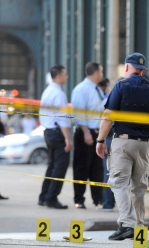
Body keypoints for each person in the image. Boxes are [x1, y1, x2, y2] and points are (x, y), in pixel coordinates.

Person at [96, 52, 149, 240]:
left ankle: (126, 223)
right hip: (144, 144)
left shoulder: (121, 86)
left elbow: (108, 117)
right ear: (143, 71)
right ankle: (139, 226)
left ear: (127, 67)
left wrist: (100, 140)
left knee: (118, 181)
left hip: (123, 142)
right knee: (139, 186)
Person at [71, 62, 105, 209]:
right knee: (81, 167)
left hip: (97, 133)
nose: (102, 74)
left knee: (97, 169)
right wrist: (86, 133)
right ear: (96, 72)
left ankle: (98, 199)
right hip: (85, 133)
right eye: (101, 71)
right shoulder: (81, 89)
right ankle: (79, 199)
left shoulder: (97, 89)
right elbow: (78, 113)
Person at [38, 65, 72, 209]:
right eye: (65, 74)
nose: (67, 76)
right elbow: (62, 118)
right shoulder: (59, 94)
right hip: (57, 132)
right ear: (59, 76)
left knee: (52, 165)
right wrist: (67, 139)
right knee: (60, 166)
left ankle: (44, 196)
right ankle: (51, 198)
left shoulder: (48, 91)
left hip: (48, 131)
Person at [98, 77, 116, 211]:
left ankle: (108, 204)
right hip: (131, 140)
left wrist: (100, 140)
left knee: (108, 172)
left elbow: (104, 120)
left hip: (110, 140)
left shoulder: (108, 101)